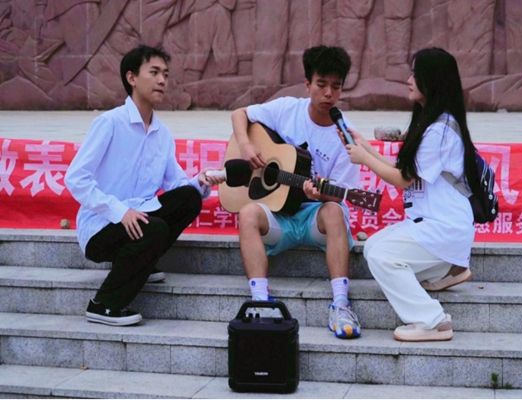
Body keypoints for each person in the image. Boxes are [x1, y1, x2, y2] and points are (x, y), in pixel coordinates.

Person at [64, 45, 223, 327]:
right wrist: (119, 211)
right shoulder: (110, 123)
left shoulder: (162, 134)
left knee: (189, 197)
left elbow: (176, 184)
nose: (162, 80)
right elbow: (76, 178)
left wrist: (201, 180)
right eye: (154, 73)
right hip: (101, 227)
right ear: (132, 77)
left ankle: (143, 260)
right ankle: (103, 304)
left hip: (140, 220)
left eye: (166, 74)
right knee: (154, 228)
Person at [343, 47, 477, 341]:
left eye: (416, 74)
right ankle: (445, 271)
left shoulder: (439, 130)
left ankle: (432, 321)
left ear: (433, 80)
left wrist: (364, 159)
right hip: (433, 224)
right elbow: (405, 171)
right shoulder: (434, 123)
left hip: (444, 226)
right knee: (373, 246)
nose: (408, 80)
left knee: (382, 256)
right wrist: (366, 147)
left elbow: (403, 180)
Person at [230, 45, 362, 339]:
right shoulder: (287, 109)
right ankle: (260, 301)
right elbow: (240, 113)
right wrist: (246, 145)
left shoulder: (346, 136)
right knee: (248, 213)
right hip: (279, 216)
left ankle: (341, 303)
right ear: (307, 84)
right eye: (321, 84)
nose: (328, 93)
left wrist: (321, 194)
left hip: (315, 218)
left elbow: (344, 193)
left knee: (334, 211)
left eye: (336, 87)